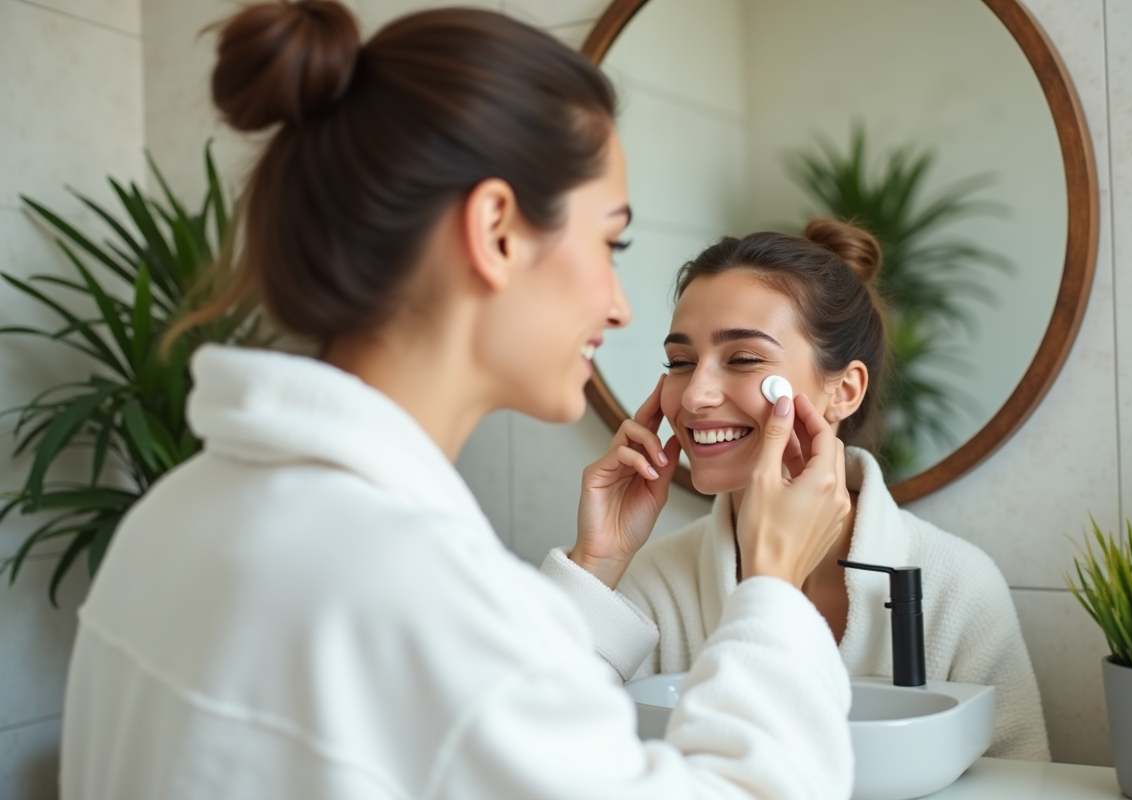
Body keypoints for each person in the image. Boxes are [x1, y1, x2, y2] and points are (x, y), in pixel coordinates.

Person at [59, 3, 859, 798]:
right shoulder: (417, 592)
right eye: (608, 242)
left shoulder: (176, 516)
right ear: (496, 230)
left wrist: (594, 571)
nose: (619, 307)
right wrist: (773, 588)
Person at [546, 221, 1052, 761]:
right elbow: (538, 760)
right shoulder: (650, 588)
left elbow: (1024, 785)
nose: (694, 396)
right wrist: (597, 564)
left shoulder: (956, 589)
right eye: (681, 363)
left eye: (744, 359)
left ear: (845, 389)